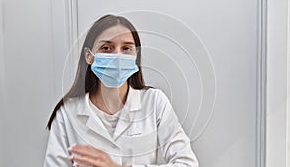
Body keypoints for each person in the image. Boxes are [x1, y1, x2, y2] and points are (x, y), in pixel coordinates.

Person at [43, 14, 199, 167]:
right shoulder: (67, 113)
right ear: (89, 56)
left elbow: (187, 163)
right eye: (106, 48)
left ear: (135, 56)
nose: (117, 55)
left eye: (126, 48)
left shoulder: (154, 102)